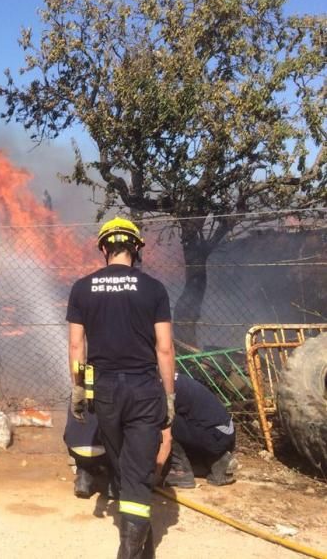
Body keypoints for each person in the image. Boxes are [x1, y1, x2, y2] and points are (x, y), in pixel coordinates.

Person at [67, 217, 175, 559]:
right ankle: (134, 548)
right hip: (144, 389)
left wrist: (79, 388)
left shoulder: (82, 288)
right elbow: (165, 348)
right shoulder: (154, 289)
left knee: (123, 464)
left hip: (105, 390)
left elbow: (75, 348)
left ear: (103, 248)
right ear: (137, 248)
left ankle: (136, 548)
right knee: (138, 471)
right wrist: (169, 397)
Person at [64, 374, 237, 496]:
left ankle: (180, 472)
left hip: (219, 433)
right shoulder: (158, 379)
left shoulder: (157, 389)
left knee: (164, 419)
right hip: (214, 429)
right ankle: (209, 461)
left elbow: (167, 438)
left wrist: (155, 475)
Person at [163, 373, 237, 487]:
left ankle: (180, 472)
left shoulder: (159, 384)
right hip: (222, 433)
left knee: (161, 420)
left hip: (215, 435)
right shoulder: (169, 376)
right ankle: (216, 460)